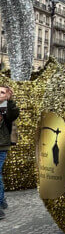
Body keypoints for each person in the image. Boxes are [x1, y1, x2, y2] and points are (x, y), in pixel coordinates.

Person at [0, 85, 19, 219]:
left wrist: (10, 100)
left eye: (2, 92)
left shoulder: (8, 108)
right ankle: (1, 200)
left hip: (1, 146)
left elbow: (13, 115)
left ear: (7, 95)